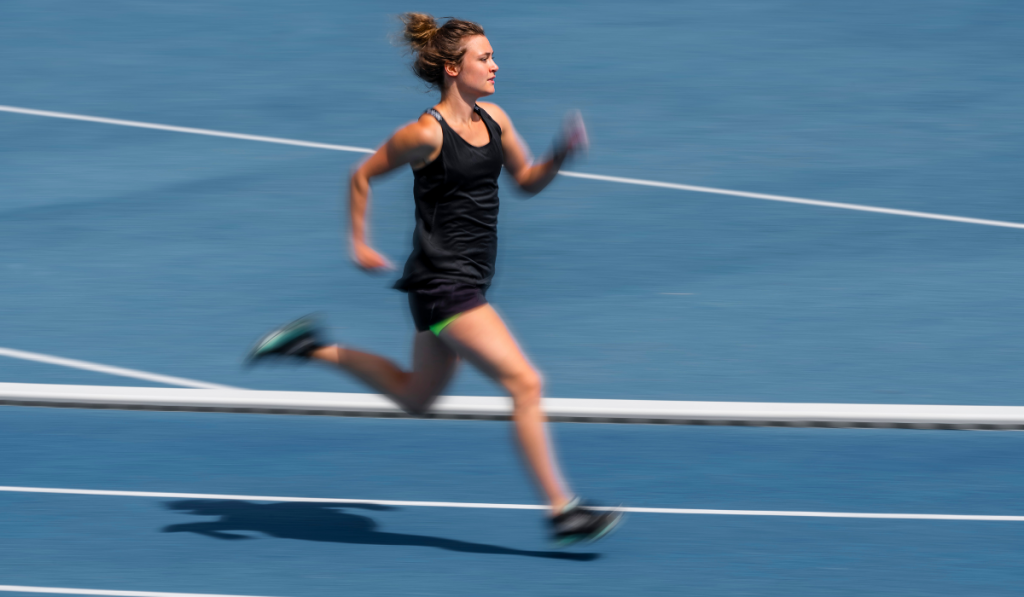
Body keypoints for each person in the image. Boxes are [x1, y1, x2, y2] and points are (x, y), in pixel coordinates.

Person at [247, 13, 621, 546]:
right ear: (452, 68)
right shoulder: (425, 134)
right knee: (526, 383)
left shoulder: (497, 121)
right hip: (444, 284)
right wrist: (358, 243)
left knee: (416, 397)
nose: (495, 65)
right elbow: (362, 175)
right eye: (483, 57)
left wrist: (559, 155)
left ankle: (307, 347)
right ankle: (563, 510)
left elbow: (527, 181)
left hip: (464, 280)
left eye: (493, 56)